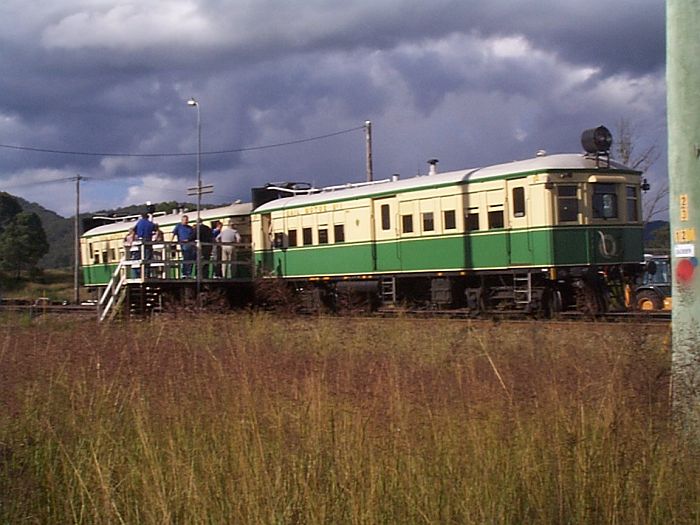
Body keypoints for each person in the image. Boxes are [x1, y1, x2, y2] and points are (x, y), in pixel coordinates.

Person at [134, 212, 155, 277]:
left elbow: (134, 230)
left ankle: (139, 274)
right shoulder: (150, 223)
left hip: (140, 241)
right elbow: (154, 229)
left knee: (139, 257)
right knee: (147, 257)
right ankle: (146, 274)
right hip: (148, 240)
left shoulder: (139, 223)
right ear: (147, 217)